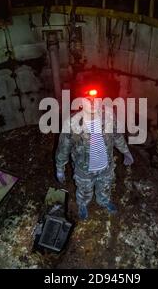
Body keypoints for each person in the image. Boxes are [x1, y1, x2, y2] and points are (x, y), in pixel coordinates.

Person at [55, 89, 134, 220]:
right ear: (81, 102)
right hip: (84, 168)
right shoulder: (73, 122)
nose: (92, 102)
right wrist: (59, 168)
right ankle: (83, 205)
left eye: (95, 99)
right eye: (88, 99)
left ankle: (104, 201)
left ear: (100, 101)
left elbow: (117, 136)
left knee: (105, 187)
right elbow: (64, 147)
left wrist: (126, 152)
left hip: (105, 165)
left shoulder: (108, 117)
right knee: (84, 190)